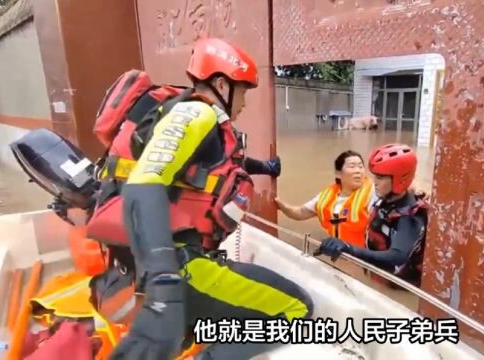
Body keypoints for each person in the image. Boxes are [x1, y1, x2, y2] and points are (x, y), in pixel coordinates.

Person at [84, 38, 313, 360]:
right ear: (221, 84)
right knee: (298, 310)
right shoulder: (197, 113)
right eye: (244, 92)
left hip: (138, 267)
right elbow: (144, 183)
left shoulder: (182, 116)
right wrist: (164, 280)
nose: (244, 103)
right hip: (179, 269)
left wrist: (265, 168)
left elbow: (214, 169)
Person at [315, 144, 428, 287]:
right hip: (376, 275)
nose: (374, 182)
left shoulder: (409, 217)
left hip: (395, 288)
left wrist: (349, 248)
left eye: (380, 177)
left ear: (399, 180)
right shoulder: (387, 198)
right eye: (375, 176)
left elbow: (396, 256)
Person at [275, 150, 375, 247]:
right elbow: (301, 212)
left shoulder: (373, 193)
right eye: (352, 166)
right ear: (338, 173)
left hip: (364, 258)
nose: (358, 171)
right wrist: (282, 206)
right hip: (337, 255)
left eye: (361, 167)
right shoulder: (328, 196)